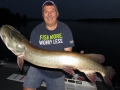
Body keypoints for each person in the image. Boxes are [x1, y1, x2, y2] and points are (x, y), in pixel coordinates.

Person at [23, 0, 74, 90]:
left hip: (57, 73)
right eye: (46, 11)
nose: (49, 14)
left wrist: (71, 65)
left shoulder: (65, 29)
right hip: (37, 68)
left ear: (57, 14)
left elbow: (68, 52)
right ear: (43, 15)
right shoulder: (36, 31)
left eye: (52, 11)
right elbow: (31, 53)